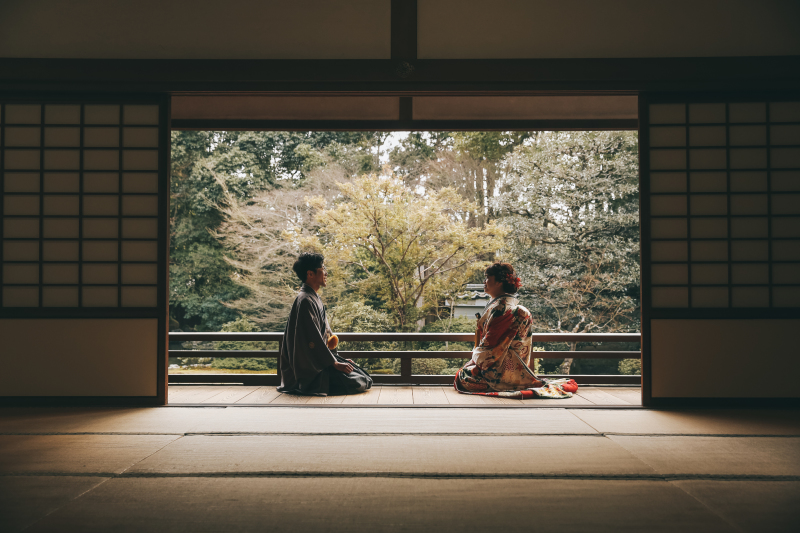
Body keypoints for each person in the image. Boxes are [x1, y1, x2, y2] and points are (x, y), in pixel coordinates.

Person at [454, 262, 577, 399]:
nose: (484, 281)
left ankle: (508, 383)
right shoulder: (505, 306)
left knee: (464, 377)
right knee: (465, 374)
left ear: (499, 282)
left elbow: (491, 346)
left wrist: (474, 362)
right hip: (514, 366)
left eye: (487, 277)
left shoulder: (502, 309)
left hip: (499, 370)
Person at [277, 252, 372, 396]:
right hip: (311, 369)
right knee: (359, 381)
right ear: (310, 274)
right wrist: (334, 363)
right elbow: (313, 339)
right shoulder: (305, 300)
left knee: (363, 376)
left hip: (320, 360)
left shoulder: (312, 297)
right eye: (323, 269)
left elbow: (325, 335)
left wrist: (337, 359)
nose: (326, 273)